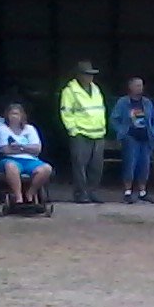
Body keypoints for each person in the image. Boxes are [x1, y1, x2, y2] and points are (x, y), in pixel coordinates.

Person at [0, 103, 53, 209]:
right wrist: (28, 148)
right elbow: (5, 150)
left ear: (22, 116)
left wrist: (20, 147)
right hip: (9, 159)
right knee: (11, 166)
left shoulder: (30, 129)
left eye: (17, 114)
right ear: (7, 116)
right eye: (12, 114)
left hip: (30, 160)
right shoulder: (2, 129)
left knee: (47, 168)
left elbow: (37, 149)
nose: (14, 116)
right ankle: (18, 198)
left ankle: (30, 194)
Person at [60, 60, 107, 203]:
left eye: (91, 74)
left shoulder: (96, 89)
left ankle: (92, 192)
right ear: (79, 75)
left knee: (96, 166)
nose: (90, 77)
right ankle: (81, 194)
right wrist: (73, 131)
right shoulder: (69, 91)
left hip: (98, 133)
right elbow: (66, 112)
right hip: (80, 133)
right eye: (87, 74)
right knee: (80, 166)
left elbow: (101, 109)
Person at [110, 77, 154, 204]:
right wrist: (123, 132)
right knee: (130, 164)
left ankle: (142, 192)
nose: (140, 88)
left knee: (144, 165)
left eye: (141, 85)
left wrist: (153, 133)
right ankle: (128, 192)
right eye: (137, 85)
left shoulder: (147, 103)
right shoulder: (123, 102)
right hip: (130, 138)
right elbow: (114, 119)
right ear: (130, 87)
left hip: (145, 138)